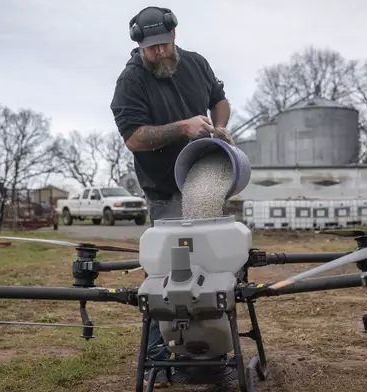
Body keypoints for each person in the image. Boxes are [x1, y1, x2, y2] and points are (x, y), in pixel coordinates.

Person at [110, 5, 233, 388]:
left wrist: (220, 127)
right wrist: (182, 126)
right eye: (151, 48)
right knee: (165, 281)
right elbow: (134, 138)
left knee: (214, 271)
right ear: (139, 46)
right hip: (165, 191)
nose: (159, 53)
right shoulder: (131, 82)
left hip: (204, 180)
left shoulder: (196, 64)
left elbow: (219, 99)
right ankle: (160, 360)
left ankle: (212, 353)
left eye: (163, 45)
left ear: (174, 37)